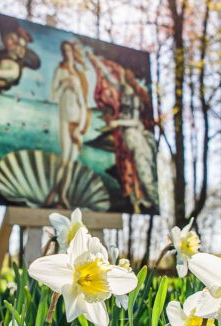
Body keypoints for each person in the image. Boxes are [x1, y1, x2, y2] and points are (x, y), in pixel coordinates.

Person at [86, 48, 158, 213]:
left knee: (144, 169)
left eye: (128, 74)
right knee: (130, 168)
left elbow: (135, 120)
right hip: (126, 136)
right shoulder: (122, 89)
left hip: (135, 134)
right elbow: (108, 76)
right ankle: (138, 199)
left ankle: (150, 198)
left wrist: (117, 122)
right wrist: (95, 61)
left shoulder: (137, 95)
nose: (124, 76)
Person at [48, 42, 91, 206]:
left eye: (69, 50)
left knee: (71, 162)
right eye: (64, 50)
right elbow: (53, 95)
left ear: (73, 52)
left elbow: (83, 102)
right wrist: (64, 85)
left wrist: (80, 127)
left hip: (77, 121)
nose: (67, 53)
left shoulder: (79, 74)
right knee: (64, 160)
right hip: (64, 119)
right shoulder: (60, 71)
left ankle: (63, 196)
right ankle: (53, 192)